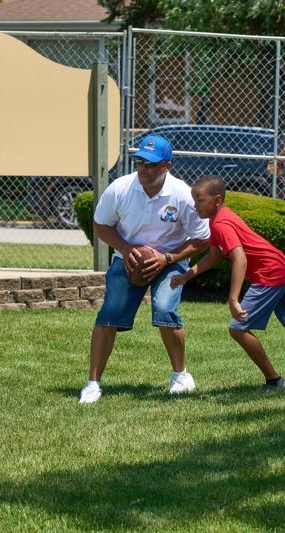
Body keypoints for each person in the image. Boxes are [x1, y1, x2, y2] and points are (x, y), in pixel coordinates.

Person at [170, 175, 285, 392]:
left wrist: (233, 299)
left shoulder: (221, 224)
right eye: (194, 200)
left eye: (200, 200)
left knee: (238, 330)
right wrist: (187, 275)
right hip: (282, 267)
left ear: (217, 200)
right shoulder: (218, 219)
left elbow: (240, 259)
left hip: (270, 274)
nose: (195, 206)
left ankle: (274, 380)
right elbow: (214, 256)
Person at [79, 135, 211, 405]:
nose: (142, 168)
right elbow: (101, 224)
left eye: (149, 164)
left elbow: (202, 238)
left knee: (164, 307)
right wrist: (126, 249)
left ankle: (181, 376)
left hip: (170, 259)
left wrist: (167, 258)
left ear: (166, 166)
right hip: (128, 258)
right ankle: (92, 384)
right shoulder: (120, 188)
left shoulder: (182, 194)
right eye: (139, 161)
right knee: (109, 313)